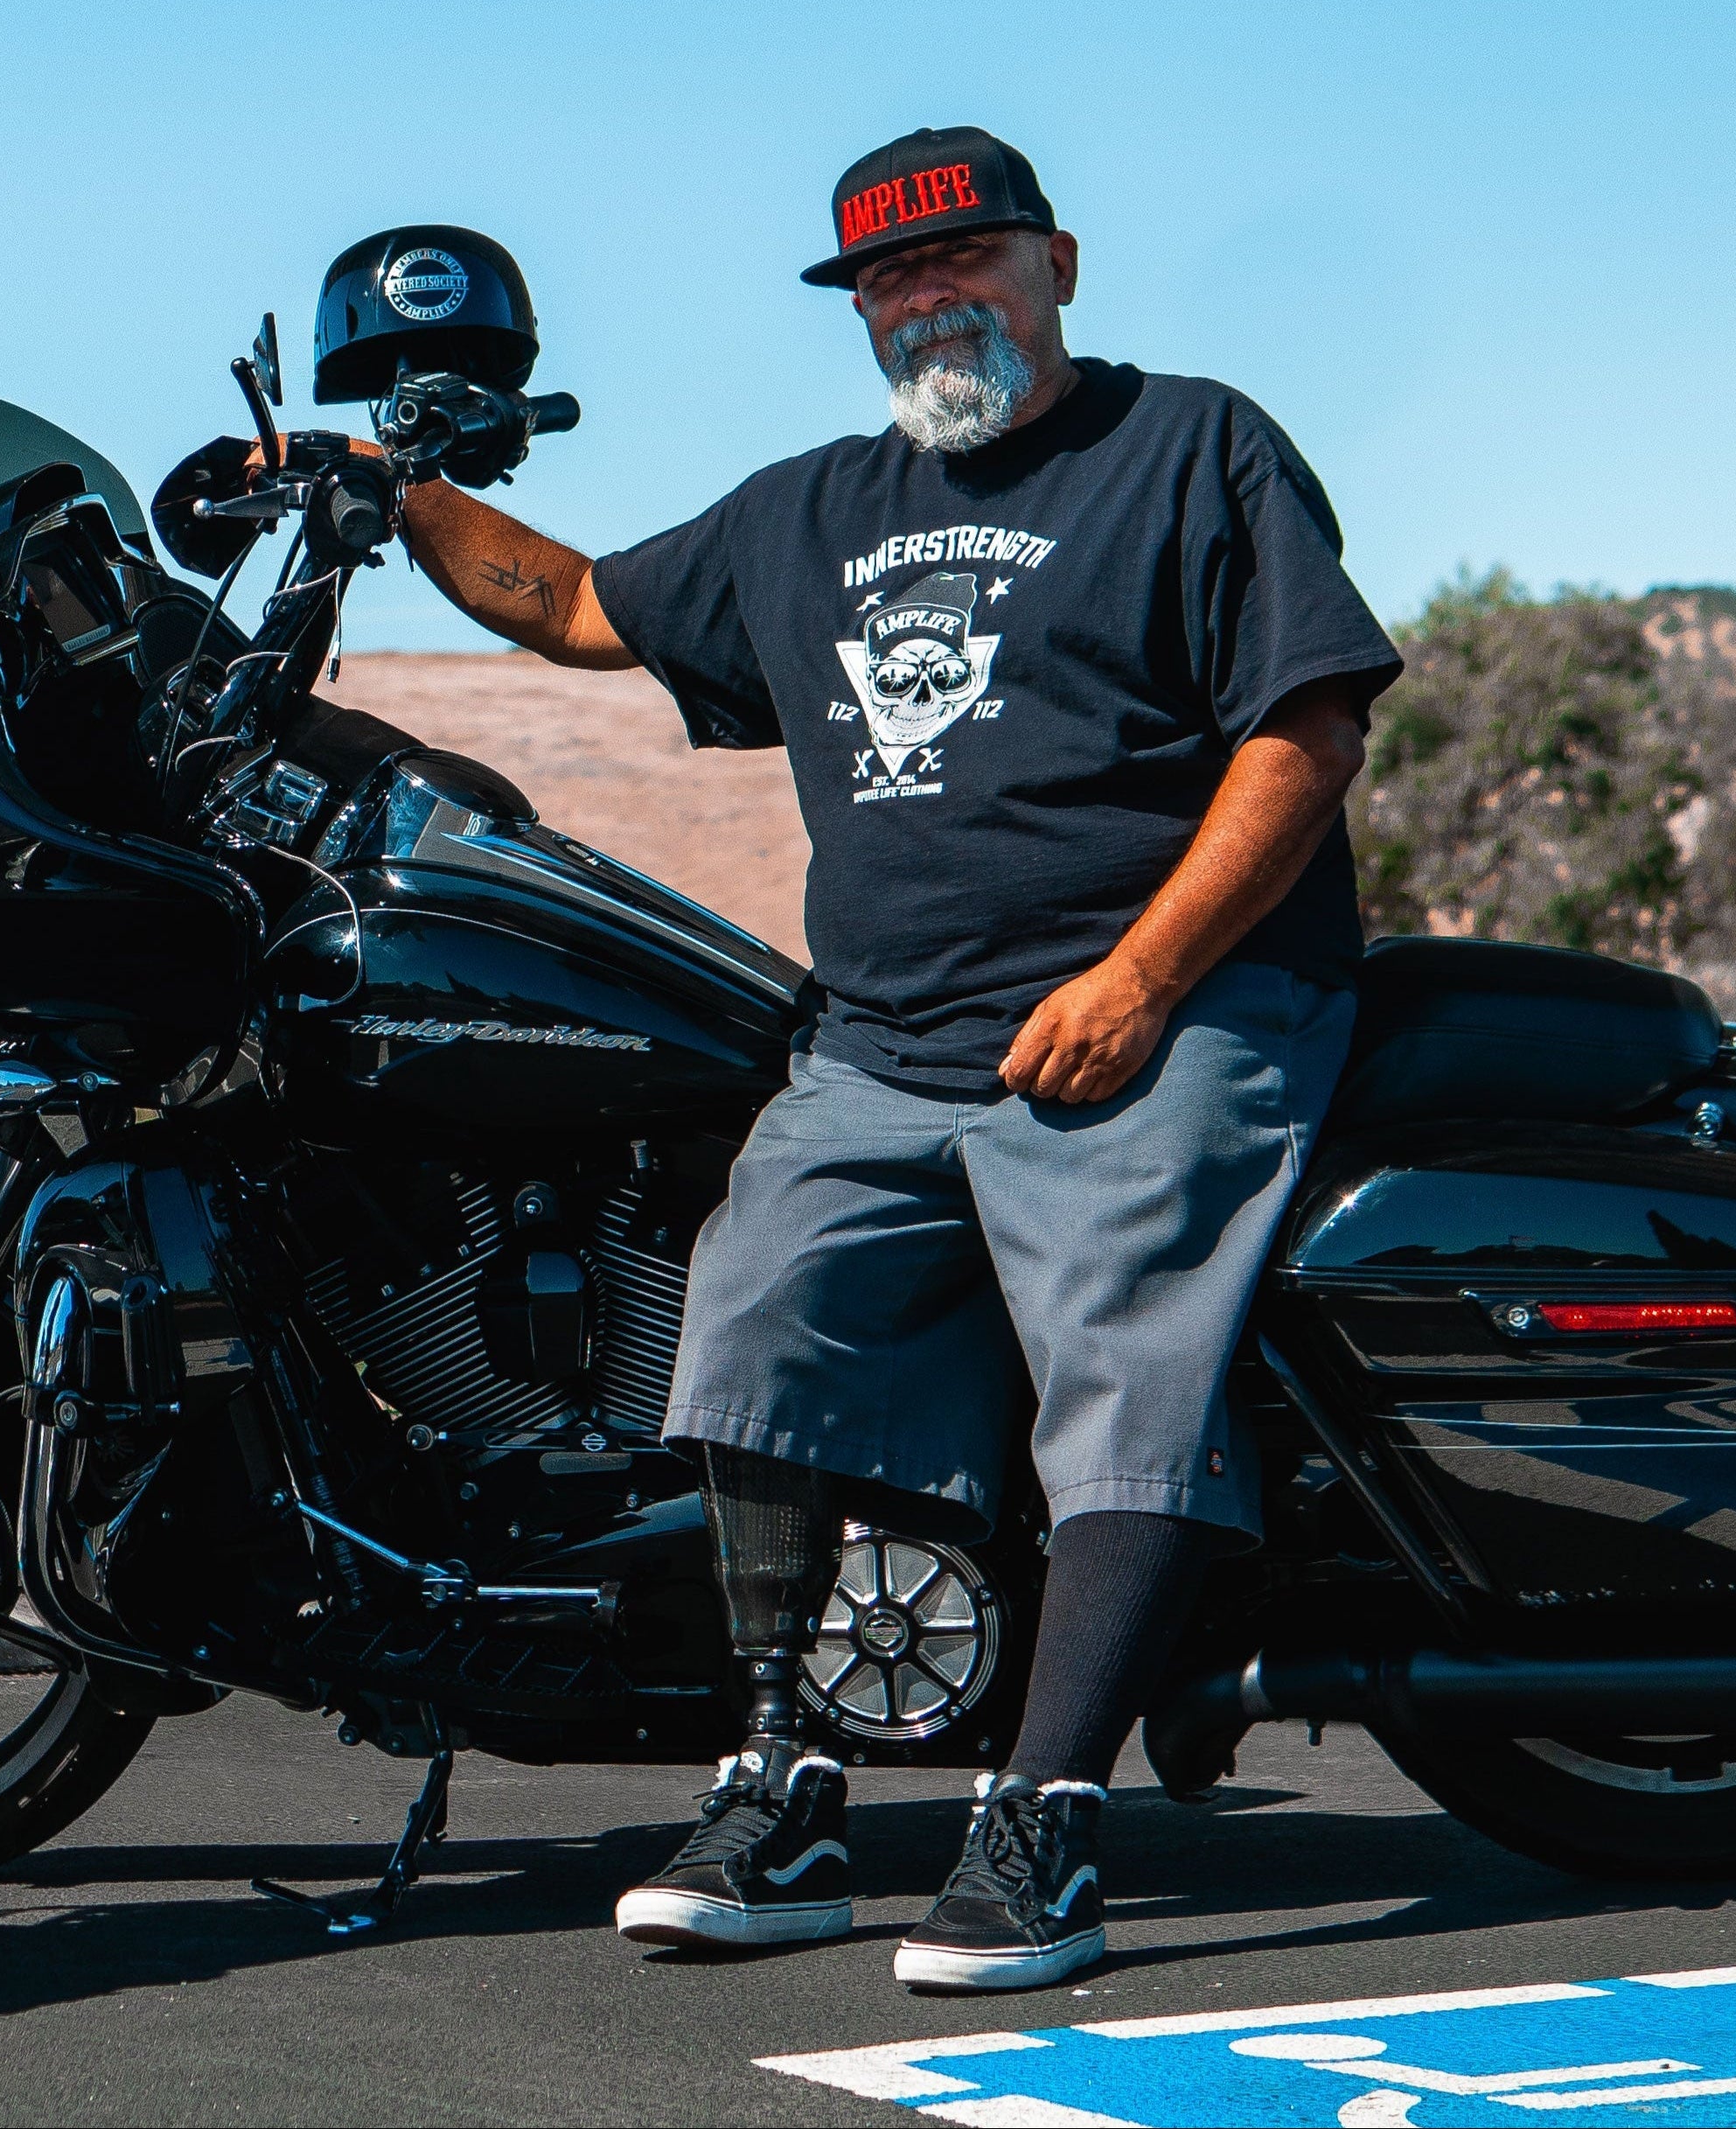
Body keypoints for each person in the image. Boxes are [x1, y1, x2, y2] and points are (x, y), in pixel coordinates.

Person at [385, 125, 1400, 1991]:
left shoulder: (1191, 444)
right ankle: (779, 1784)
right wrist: (385, 483)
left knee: (1118, 1349)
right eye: (884, 279)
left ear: (1058, 263)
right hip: (884, 1045)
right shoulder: (808, 509)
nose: (925, 297)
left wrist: (1143, 978)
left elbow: (1305, 735)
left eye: (962, 260)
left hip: (1158, 1011)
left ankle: (1048, 1819)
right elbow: (576, 603)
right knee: (757, 1301)